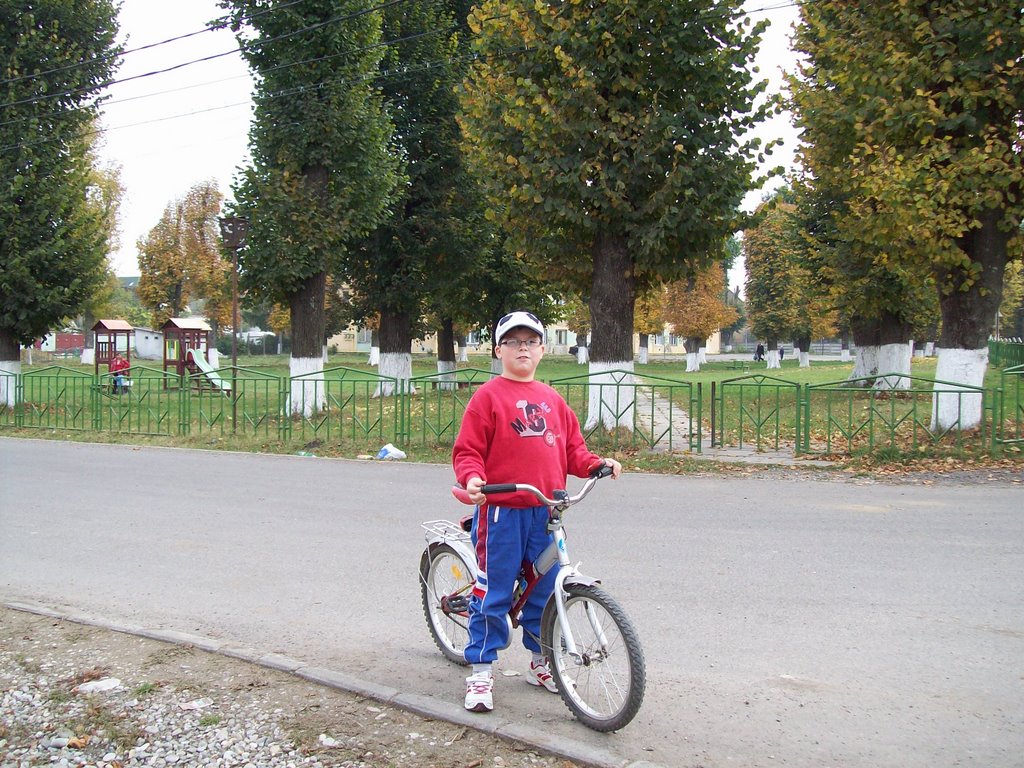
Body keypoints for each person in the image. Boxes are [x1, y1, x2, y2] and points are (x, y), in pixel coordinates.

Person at [451, 310, 622, 714]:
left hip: (545, 514)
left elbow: (573, 451)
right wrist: (473, 478)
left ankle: (542, 661)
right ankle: (480, 668)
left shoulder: (552, 400)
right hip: (501, 513)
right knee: (492, 592)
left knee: (544, 592)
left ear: (542, 349)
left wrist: (596, 463)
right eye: (513, 342)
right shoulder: (488, 397)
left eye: (530, 341)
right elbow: (468, 451)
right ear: (499, 350)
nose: (522, 348)